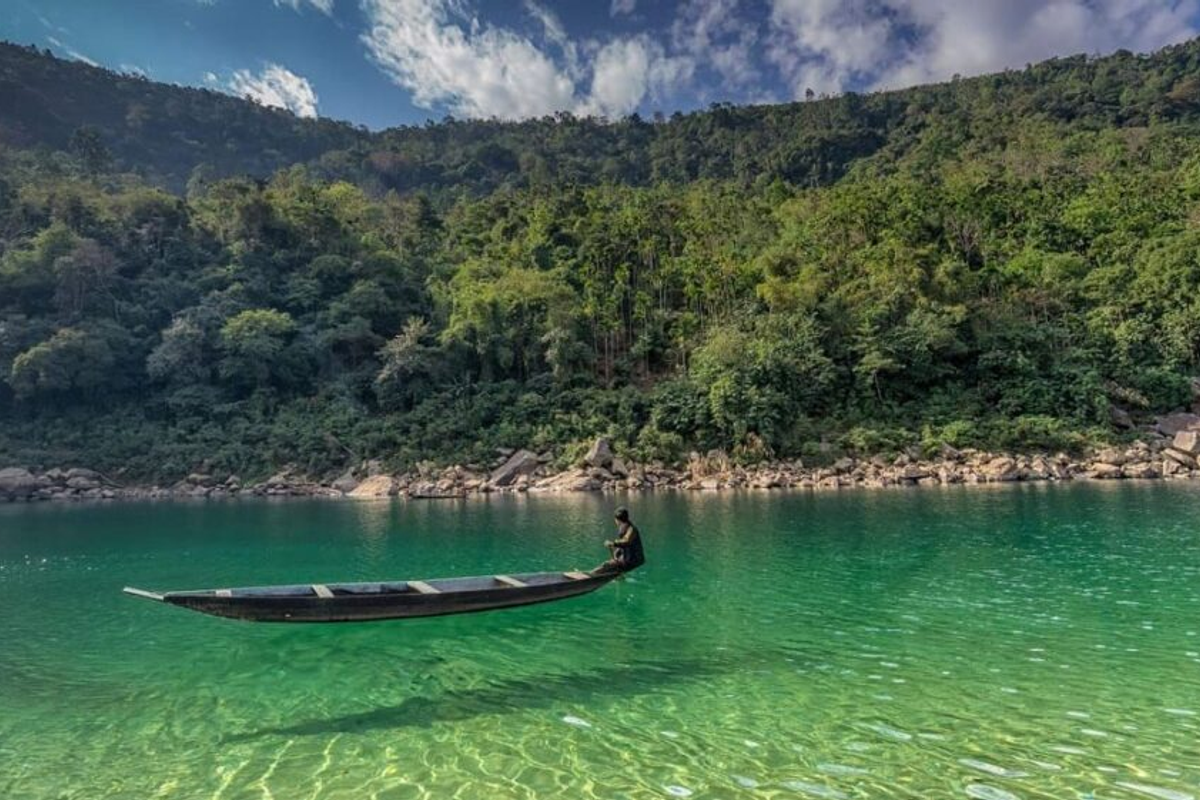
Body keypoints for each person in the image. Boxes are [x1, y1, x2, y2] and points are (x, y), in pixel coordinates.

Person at [594, 506, 645, 575]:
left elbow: (626, 541)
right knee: (612, 565)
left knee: (606, 565)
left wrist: (613, 543)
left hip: (633, 561)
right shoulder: (624, 527)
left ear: (617, 520)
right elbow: (623, 546)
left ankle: (589, 575)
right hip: (628, 559)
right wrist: (616, 552)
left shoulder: (632, 529)